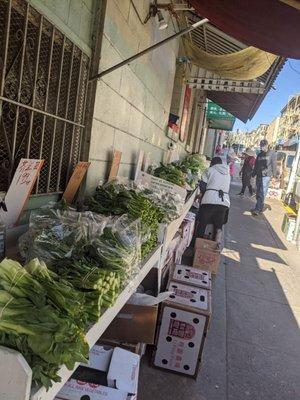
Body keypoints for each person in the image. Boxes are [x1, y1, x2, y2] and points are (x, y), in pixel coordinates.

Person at [192, 157, 230, 246]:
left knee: (202, 223)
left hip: (209, 200)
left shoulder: (210, 170)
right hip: (224, 202)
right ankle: (215, 247)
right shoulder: (228, 173)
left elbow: (203, 186)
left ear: (212, 163)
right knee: (218, 227)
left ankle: (196, 246)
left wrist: (202, 194)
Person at [251, 139, 277, 216]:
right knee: (257, 192)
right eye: (261, 146)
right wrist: (253, 175)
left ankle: (257, 209)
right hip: (259, 175)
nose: (261, 147)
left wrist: (274, 176)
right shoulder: (259, 154)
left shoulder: (272, 153)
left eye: (263, 146)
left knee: (262, 193)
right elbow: (256, 165)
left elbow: (274, 165)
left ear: (267, 145)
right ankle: (259, 207)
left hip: (266, 176)